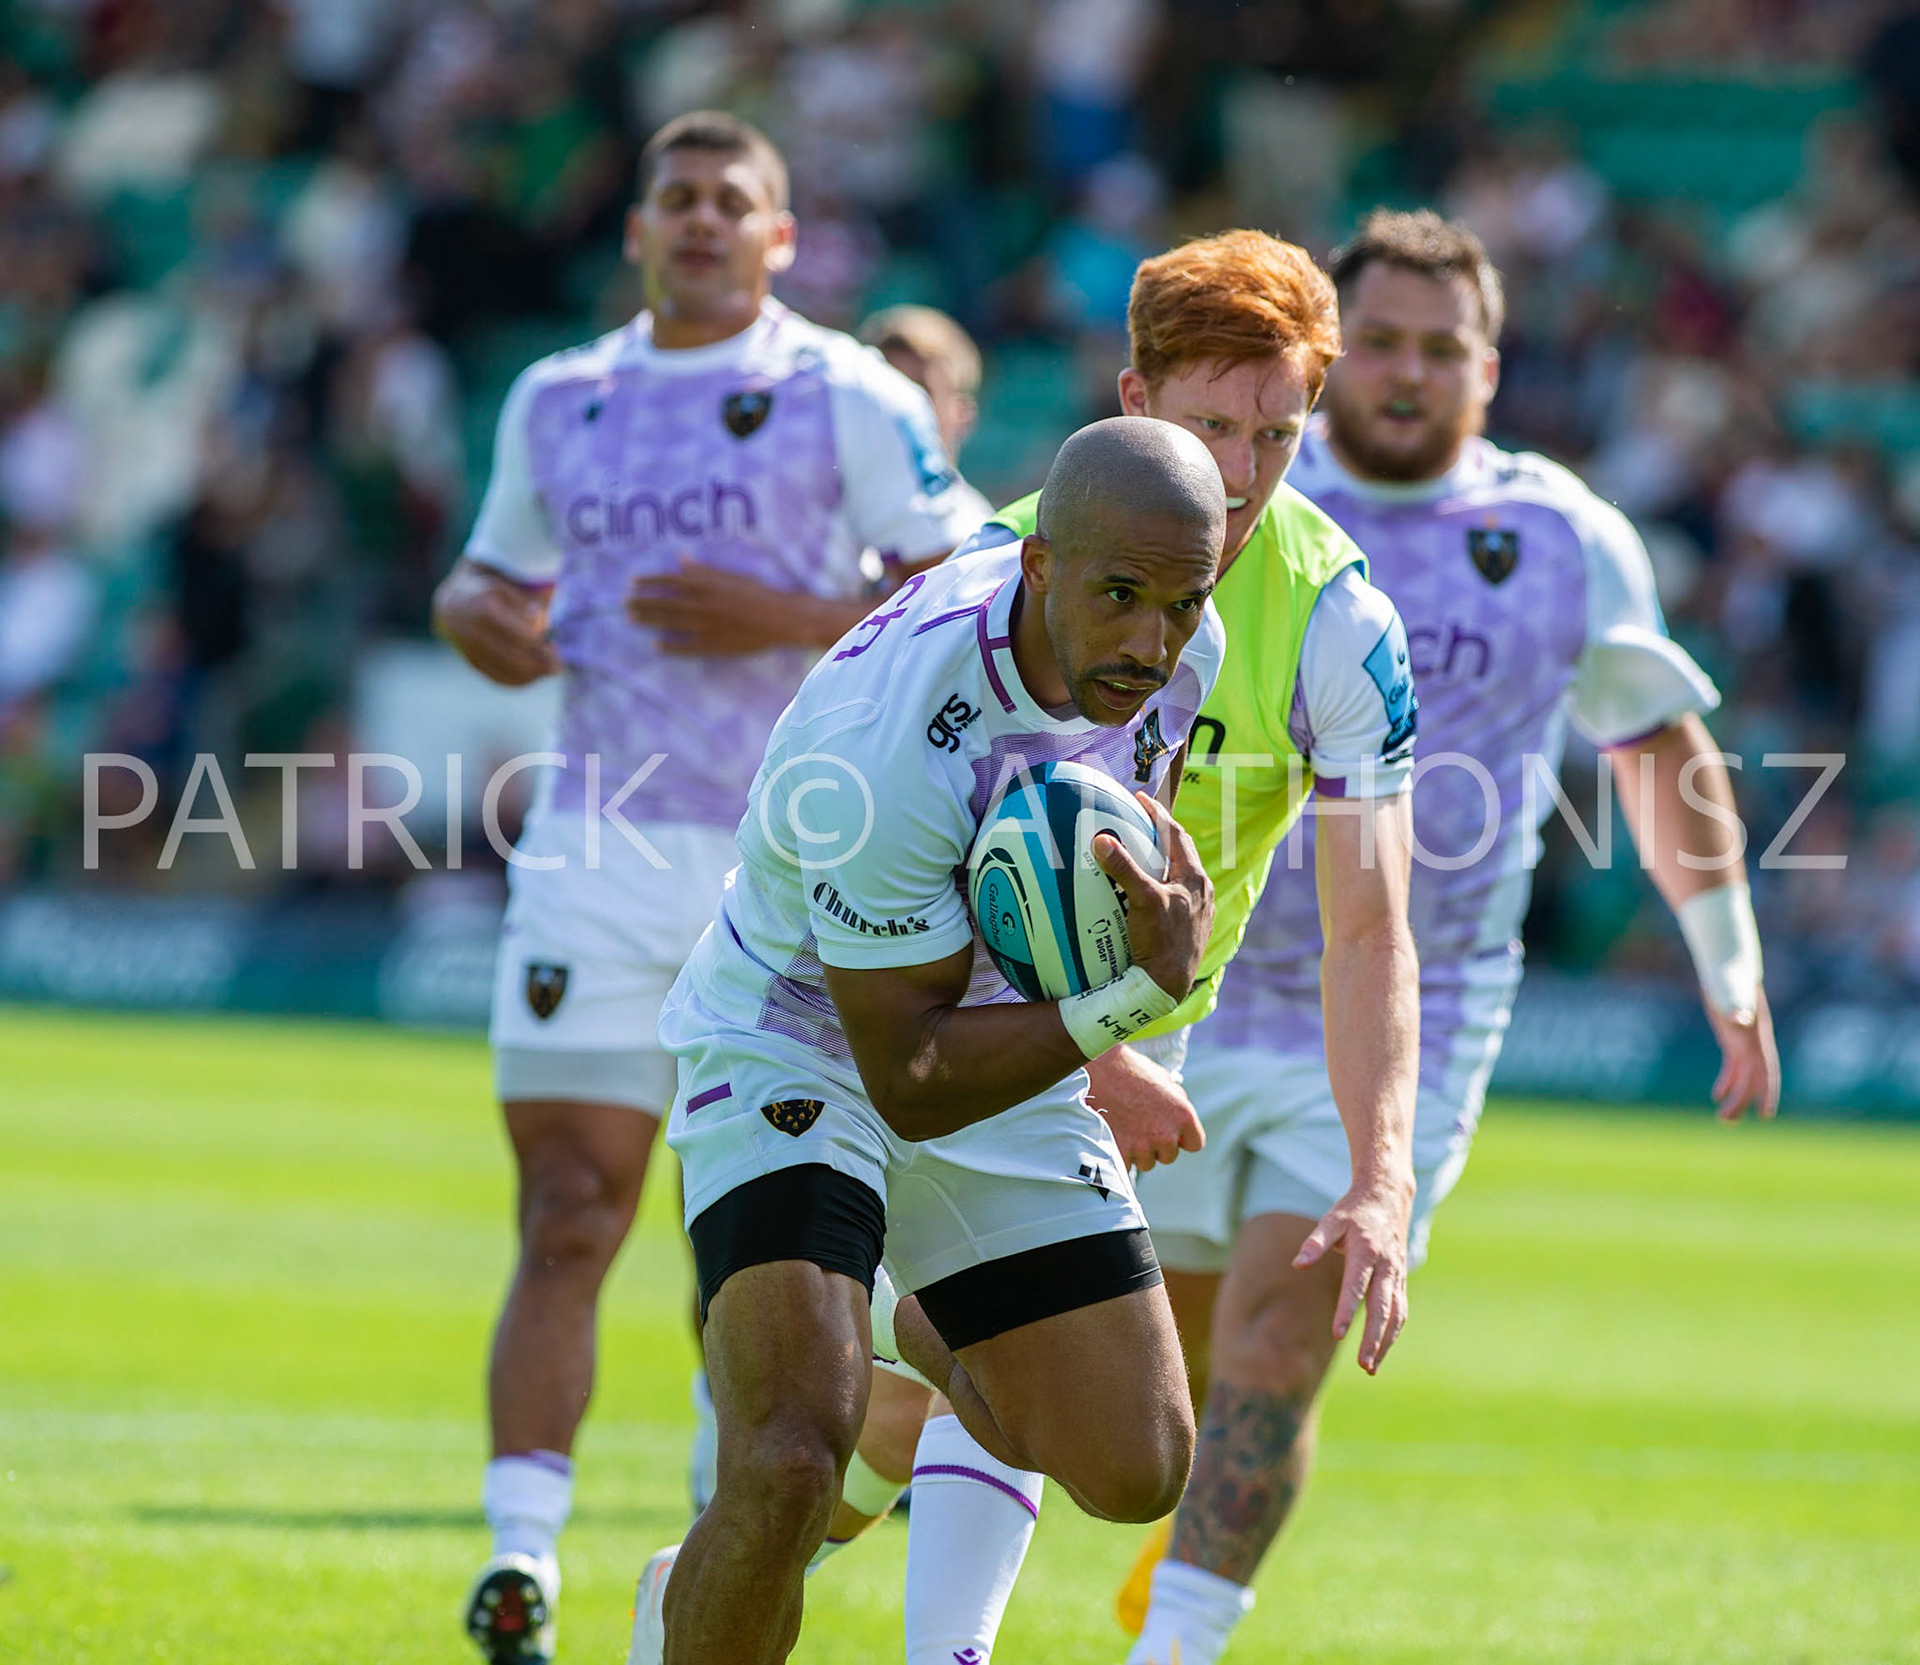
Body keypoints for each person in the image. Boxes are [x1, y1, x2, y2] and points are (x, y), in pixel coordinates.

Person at [1117, 209, 1782, 1665]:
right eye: (1388, 344)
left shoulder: (1559, 535)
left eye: (1448, 347)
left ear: (1492, 366)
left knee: (1276, 1361)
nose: (1412, 374)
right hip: (1168, 997)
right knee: (1124, 1388)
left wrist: (1730, 964)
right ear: (1335, 357)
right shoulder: (1211, 492)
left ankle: (1170, 1651)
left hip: (1405, 999)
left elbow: (1656, 754)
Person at [430, 110, 983, 1665]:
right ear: (636, 227)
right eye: (672, 197)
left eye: (730, 202)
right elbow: (488, 577)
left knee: (747, 1247)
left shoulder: (849, 395)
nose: (697, 221)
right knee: (565, 1209)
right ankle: (519, 1560)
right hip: (594, 854)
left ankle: (694, 1552)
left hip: (790, 863)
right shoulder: (561, 398)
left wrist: (790, 608)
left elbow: (963, 585)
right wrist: (477, 612)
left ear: (782, 238)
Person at [834, 229, 1430, 1665]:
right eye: (1209, 426)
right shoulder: (1006, 577)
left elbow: (1369, 925)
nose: (1238, 472)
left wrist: (1382, 1176)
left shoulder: (1339, 623)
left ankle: (730, 1572)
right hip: (906, 1005)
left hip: (1114, 1017)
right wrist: (1098, 1063)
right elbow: (917, 889)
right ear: (1130, 398)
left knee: (956, 1387)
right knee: (1015, 1348)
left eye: (1276, 433)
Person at [627, 416, 1228, 1665]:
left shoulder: (1187, 652)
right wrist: (1124, 1008)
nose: (1152, 643)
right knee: (792, 1453)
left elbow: (1086, 868)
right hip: (796, 1050)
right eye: (1122, 596)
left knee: (1136, 1465)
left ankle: (892, 1325)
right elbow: (904, 1080)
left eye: (1182, 602)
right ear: (1040, 565)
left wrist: (1102, 971)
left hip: (985, 1045)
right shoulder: (892, 739)